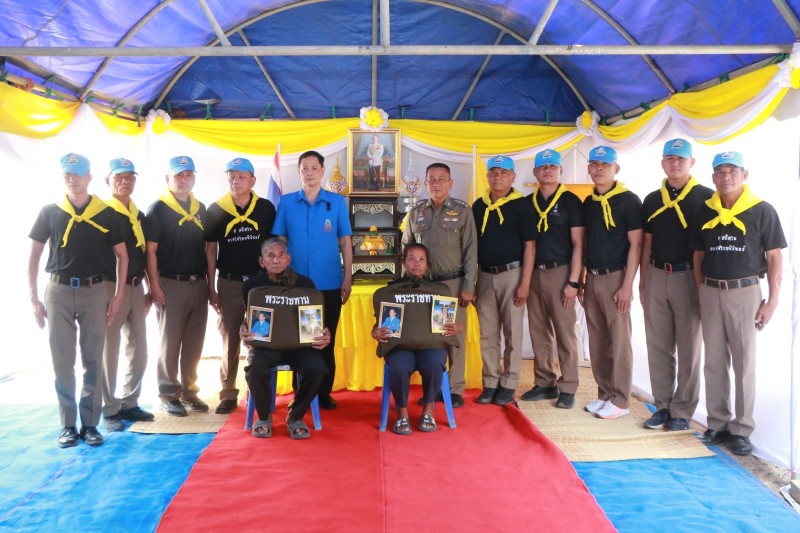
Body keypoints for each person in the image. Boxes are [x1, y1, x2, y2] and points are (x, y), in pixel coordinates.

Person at [28, 153, 128, 448]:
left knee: (93, 358)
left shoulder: (106, 213)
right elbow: (33, 256)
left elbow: (122, 256)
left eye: (77, 174)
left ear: (89, 177)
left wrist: (119, 295)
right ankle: (67, 425)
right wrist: (33, 296)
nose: (72, 179)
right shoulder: (50, 212)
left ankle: (90, 424)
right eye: (67, 174)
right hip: (58, 291)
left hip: (95, 291)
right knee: (62, 360)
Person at [691, 151, 786, 456]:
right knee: (713, 361)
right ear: (713, 177)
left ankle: (742, 429)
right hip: (711, 290)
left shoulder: (762, 210)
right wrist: (700, 292)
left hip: (745, 292)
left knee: (744, 363)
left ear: (745, 175)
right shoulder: (705, 210)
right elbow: (698, 256)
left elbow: (774, 257)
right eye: (720, 171)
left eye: (732, 171)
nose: (726, 177)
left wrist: (772, 301)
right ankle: (717, 423)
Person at [639, 139, 713, 431]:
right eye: (670, 158)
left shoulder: (706, 198)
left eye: (681, 159)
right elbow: (646, 244)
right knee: (658, 345)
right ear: (662, 163)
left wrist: (703, 286)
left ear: (692, 162)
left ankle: (682, 410)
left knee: (689, 347)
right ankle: (662, 405)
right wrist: (643, 281)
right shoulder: (652, 199)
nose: (675, 163)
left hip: (688, 277)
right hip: (657, 274)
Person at [272, 150, 353, 410]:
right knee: (298, 339)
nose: (309, 173)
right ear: (298, 172)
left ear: (322, 171)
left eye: (313, 168)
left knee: (326, 338)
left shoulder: (336, 202)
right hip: (294, 285)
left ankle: (324, 392)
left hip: (329, 283)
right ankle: (301, 393)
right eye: (304, 168)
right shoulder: (287, 202)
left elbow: (345, 241)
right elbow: (280, 240)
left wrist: (348, 276)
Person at [402, 162, 477, 408]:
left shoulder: (462, 211)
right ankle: (433, 389)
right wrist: (405, 283)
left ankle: (454, 390)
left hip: (452, 284)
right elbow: (406, 249)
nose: (436, 183)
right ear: (425, 183)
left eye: (441, 179)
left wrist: (469, 285)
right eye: (431, 179)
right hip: (423, 286)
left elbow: (471, 250)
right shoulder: (416, 213)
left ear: (450, 183)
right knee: (429, 337)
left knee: (452, 335)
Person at [205, 157, 276, 414]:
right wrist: (211, 286)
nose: (236, 181)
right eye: (232, 177)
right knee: (230, 338)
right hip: (229, 282)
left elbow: (273, 247)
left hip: (260, 282)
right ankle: (228, 393)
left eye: (242, 176)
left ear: (253, 180)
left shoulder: (266, 208)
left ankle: (259, 389)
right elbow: (210, 249)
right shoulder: (216, 209)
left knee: (262, 335)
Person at [240, 237, 330, 439]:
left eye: (281, 255)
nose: (276, 260)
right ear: (262, 261)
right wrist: (243, 330)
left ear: (288, 259)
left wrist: (324, 333)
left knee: (318, 367)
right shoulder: (251, 287)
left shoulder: (306, 284)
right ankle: (264, 417)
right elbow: (248, 319)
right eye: (270, 256)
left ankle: (295, 416)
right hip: (266, 348)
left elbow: (314, 320)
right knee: (254, 367)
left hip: (299, 348)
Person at [580, 146, 643, 420]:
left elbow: (636, 245)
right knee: (597, 340)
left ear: (616, 168)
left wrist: (627, 285)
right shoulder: (589, 202)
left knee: (619, 341)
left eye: (604, 164)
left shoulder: (629, 201)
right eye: (594, 164)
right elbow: (585, 243)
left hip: (616, 277)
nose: (598, 169)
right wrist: (582, 279)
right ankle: (604, 393)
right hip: (592, 278)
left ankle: (620, 399)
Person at [372, 243, 461, 434]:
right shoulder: (390, 291)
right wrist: (376, 332)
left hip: (431, 345)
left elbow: (448, 321)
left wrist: (455, 327)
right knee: (399, 367)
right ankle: (402, 413)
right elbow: (378, 323)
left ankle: (428, 410)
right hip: (400, 347)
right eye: (411, 259)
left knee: (434, 364)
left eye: (421, 259)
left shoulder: (440, 290)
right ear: (404, 262)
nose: (416, 263)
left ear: (427, 264)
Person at [520, 149, 585, 409]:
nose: (547, 170)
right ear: (535, 172)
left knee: (565, 332)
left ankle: (568, 385)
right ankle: (545, 382)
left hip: (561, 272)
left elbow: (579, 243)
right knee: (538, 331)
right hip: (534, 272)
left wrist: (574, 282)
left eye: (552, 166)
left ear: (560, 171)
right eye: (542, 166)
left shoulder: (571, 202)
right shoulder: (528, 202)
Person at [145, 156, 209, 417]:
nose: (183, 180)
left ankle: (190, 391)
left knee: (194, 342)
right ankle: (168, 394)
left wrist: (209, 285)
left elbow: (207, 247)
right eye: (178, 175)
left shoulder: (200, 208)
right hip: (171, 283)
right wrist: (155, 286)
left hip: (198, 283)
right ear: (167, 179)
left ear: (194, 177)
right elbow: (150, 251)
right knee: (169, 342)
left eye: (188, 175)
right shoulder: (158, 209)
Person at [472, 155, 536, 406]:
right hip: (484, 275)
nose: (497, 176)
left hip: (512, 275)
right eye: (493, 172)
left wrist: (525, 283)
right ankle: (490, 382)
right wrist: (472, 281)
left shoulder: (522, 205)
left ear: (513, 177)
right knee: (487, 334)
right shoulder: (479, 206)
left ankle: (509, 383)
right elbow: (472, 246)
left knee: (512, 333)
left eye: (503, 172)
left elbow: (530, 246)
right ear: (488, 175)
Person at [101, 158, 156, 432]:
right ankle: (109, 408)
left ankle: (129, 402)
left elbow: (142, 253)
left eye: (130, 177)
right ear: (107, 180)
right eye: (119, 177)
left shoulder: (139, 215)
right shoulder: (101, 212)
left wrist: (148, 288)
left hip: (136, 287)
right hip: (110, 289)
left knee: (139, 350)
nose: (126, 181)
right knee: (108, 352)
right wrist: (113, 293)